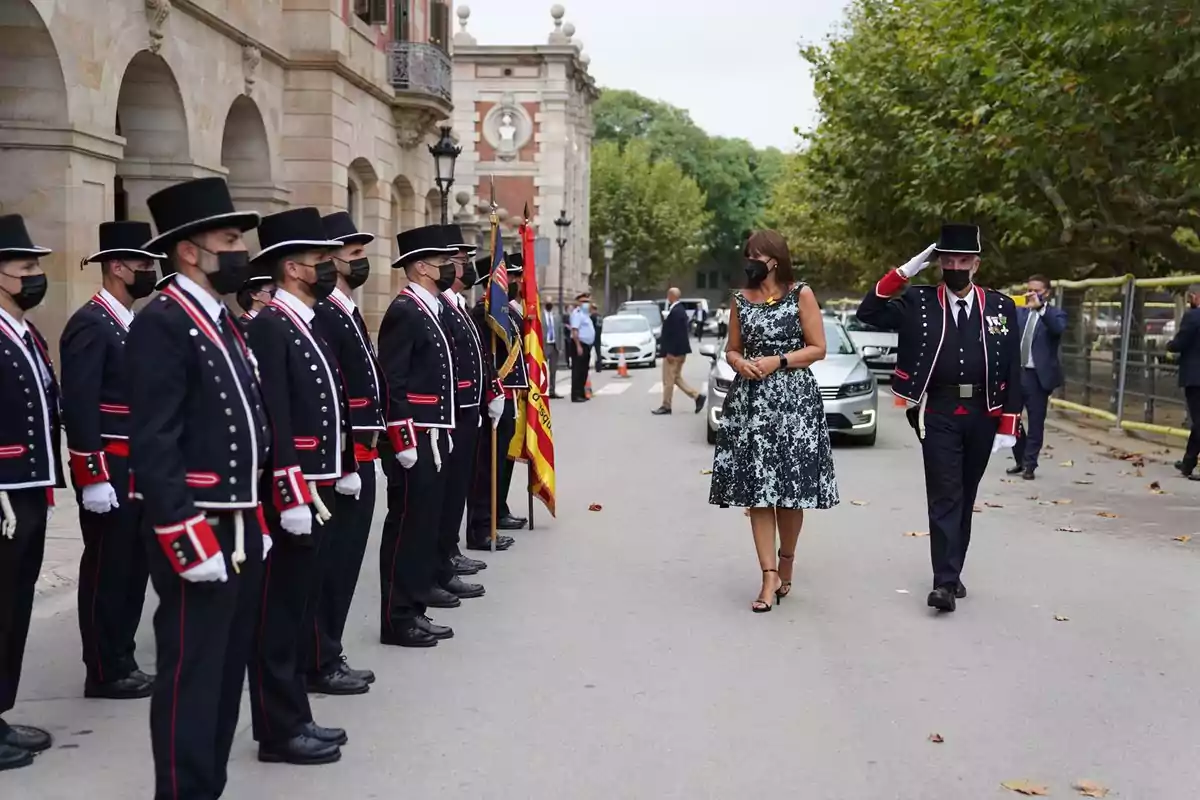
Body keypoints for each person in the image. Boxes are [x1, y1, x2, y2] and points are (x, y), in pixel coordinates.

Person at [129, 177, 271, 798]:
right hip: (198, 524)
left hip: (238, 521)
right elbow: (154, 441)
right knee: (192, 672)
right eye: (229, 239)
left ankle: (207, 784)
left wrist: (257, 518)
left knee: (226, 667)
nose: (240, 250)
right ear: (190, 250)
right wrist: (187, 539)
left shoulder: (221, 319)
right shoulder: (163, 321)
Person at [857, 223, 1022, 613]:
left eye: (963, 260)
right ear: (938, 263)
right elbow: (870, 312)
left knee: (966, 494)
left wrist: (1009, 422)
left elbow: (1013, 367)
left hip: (985, 411)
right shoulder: (919, 301)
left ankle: (954, 569)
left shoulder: (1000, 306)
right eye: (948, 260)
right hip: (939, 411)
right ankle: (944, 582)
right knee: (945, 494)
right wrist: (905, 270)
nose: (955, 266)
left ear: (976, 264)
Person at [244, 207, 358, 764]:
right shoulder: (270, 326)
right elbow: (276, 417)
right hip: (295, 493)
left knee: (302, 603)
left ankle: (295, 716)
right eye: (319, 261)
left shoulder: (302, 323)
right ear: (292, 268)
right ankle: (277, 727)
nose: (329, 269)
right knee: (280, 613)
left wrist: (346, 463)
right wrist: (289, 493)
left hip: (319, 486)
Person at [708, 230, 839, 613]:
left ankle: (786, 562)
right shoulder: (739, 299)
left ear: (776, 259)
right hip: (752, 403)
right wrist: (740, 363)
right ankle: (767, 576)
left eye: (759, 254)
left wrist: (778, 361)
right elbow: (732, 348)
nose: (752, 260)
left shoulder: (801, 294)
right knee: (758, 491)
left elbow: (818, 348)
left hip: (794, 402)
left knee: (790, 490)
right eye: (748, 253)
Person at [61, 221, 161, 701]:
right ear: (116, 266)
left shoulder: (131, 322)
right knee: (107, 567)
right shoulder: (90, 323)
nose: (150, 272)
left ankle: (121, 656)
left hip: (139, 467)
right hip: (112, 468)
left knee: (132, 566)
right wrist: (93, 476)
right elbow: (79, 406)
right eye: (142, 264)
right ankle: (102, 667)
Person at [307, 210, 382, 694]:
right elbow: (327, 398)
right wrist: (346, 460)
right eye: (353, 255)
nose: (361, 262)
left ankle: (328, 650)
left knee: (347, 562)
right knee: (329, 568)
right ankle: (320, 657)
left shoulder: (347, 310)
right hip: (342, 460)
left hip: (361, 455)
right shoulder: (326, 314)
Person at [0, 214, 63, 772]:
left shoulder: (24, 331)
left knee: (14, 602)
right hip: (3, 493)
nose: (36, 275)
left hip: (28, 487)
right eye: (25, 267)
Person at [378, 226, 460, 647]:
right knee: (406, 528)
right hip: (416, 439)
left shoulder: (432, 308)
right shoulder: (405, 310)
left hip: (434, 435)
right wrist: (403, 438)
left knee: (424, 525)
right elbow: (393, 380)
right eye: (443, 261)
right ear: (422, 266)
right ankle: (397, 617)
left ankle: (414, 609)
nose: (451, 268)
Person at [431, 225, 503, 600]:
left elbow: (477, 357)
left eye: (461, 261)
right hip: (449, 414)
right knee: (444, 497)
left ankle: (448, 554)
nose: (464, 266)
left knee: (456, 489)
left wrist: (488, 390)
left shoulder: (457, 307)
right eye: (458, 261)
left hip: (466, 409)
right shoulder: (441, 307)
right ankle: (441, 561)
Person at [465, 254, 527, 546]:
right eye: (510, 277)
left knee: (503, 457)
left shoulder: (507, 313)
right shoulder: (482, 313)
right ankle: (483, 525)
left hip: (507, 394)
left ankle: (498, 510)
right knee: (487, 464)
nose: (515, 282)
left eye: (515, 277)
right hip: (492, 396)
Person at [1007, 274, 1067, 480]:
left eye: (1037, 291)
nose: (1032, 294)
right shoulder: (1019, 312)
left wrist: (1040, 309)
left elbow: (1058, 329)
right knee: (1011, 420)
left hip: (1038, 377)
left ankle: (1030, 464)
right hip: (1017, 373)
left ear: (1047, 293)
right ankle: (1020, 459)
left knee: (1035, 422)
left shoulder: (1055, 314)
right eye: (1029, 289)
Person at [653, 287, 705, 416]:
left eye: (668, 295)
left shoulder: (676, 312)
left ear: (671, 296)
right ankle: (697, 397)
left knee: (668, 380)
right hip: (679, 352)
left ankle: (666, 405)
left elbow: (676, 334)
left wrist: (670, 352)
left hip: (674, 353)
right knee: (676, 378)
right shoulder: (679, 310)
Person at [1168, 283, 1200, 480]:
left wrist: (1170, 346)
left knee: (1199, 420)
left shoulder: (1193, 317)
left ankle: (1188, 461)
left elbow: (1180, 342)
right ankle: (1188, 462)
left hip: (1196, 377)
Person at [568, 292, 595, 402]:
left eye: (587, 302)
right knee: (577, 371)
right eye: (584, 302)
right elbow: (575, 331)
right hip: (579, 344)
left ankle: (582, 393)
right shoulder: (577, 314)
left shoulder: (585, 315)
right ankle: (576, 395)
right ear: (578, 303)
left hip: (586, 345)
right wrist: (578, 346)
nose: (586, 304)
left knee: (584, 370)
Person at [543, 298, 562, 397]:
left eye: (551, 302)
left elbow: (560, 332)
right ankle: (544, 390)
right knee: (544, 370)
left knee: (553, 370)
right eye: (548, 302)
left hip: (555, 346)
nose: (549, 304)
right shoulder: (541, 316)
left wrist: (561, 347)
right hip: (545, 345)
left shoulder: (557, 316)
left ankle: (552, 390)